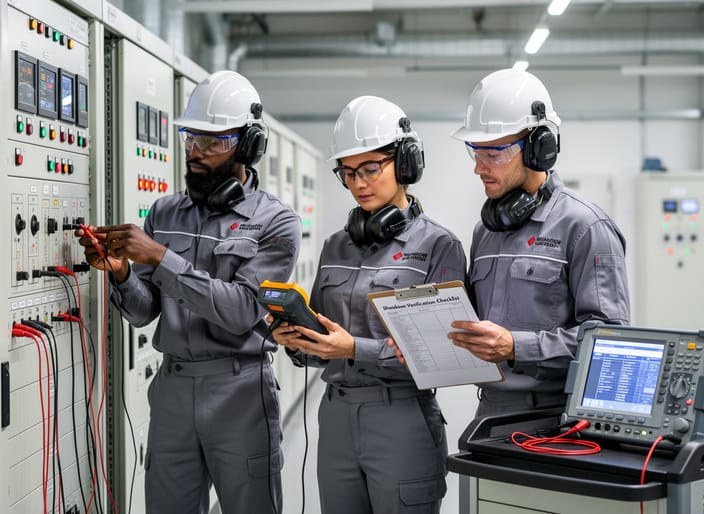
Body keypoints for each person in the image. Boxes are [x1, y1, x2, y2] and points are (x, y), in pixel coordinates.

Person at [78, 70, 300, 514]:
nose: (196, 154)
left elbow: (241, 311)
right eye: (190, 139)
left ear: (247, 147)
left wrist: (160, 257)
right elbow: (144, 313)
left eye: (213, 143)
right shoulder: (165, 210)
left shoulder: (276, 222)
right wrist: (122, 273)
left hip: (241, 390)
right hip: (174, 388)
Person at [273, 96, 467, 514]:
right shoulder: (335, 246)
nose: (358, 183)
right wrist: (297, 340)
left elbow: (445, 354)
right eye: (347, 172)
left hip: (400, 418)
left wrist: (353, 349)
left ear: (406, 165)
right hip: (337, 417)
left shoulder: (438, 246)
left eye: (370, 169)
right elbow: (323, 334)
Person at [447, 68, 631, 416]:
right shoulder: (485, 231)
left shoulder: (586, 227)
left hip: (555, 415)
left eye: (494, 154)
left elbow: (610, 342)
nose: (479, 169)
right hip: (489, 411)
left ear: (538, 149)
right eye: (476, 152)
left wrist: (517, 346)